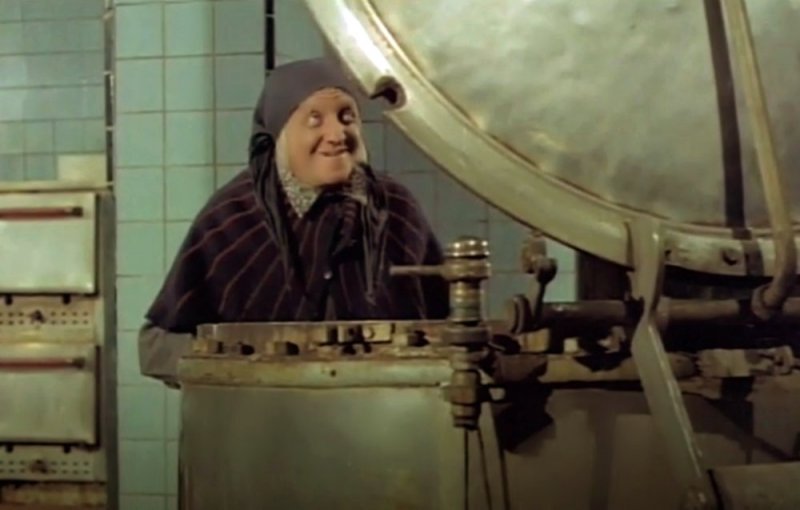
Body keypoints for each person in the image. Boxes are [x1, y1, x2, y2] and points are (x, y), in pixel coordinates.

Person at [138, 57, 449, 386]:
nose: (337, 134)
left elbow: (445, 326)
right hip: (266, 414)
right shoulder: (232, 218)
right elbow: (155, 346)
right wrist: (240, 368)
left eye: (347, 117)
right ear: (279, 135)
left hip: (387, 412)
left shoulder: (396, 208)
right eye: (315, 120)